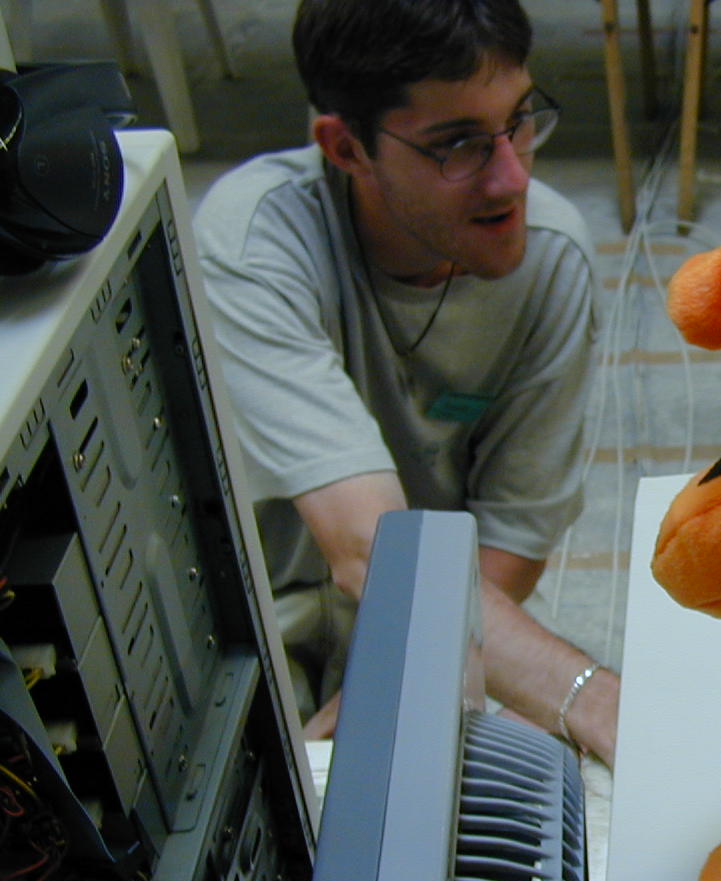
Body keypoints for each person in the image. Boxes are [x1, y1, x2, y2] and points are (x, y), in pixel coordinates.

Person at [194, 0, 618, 765]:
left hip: (444, 618)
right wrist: (595, 700)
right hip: (259, 629)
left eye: (519, 120)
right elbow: (370, 546)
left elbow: (514, 539)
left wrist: (406, 675)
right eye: (457, 144)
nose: (511, 177)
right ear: (346, 146)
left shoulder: (553, 261)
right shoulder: (257, 243)